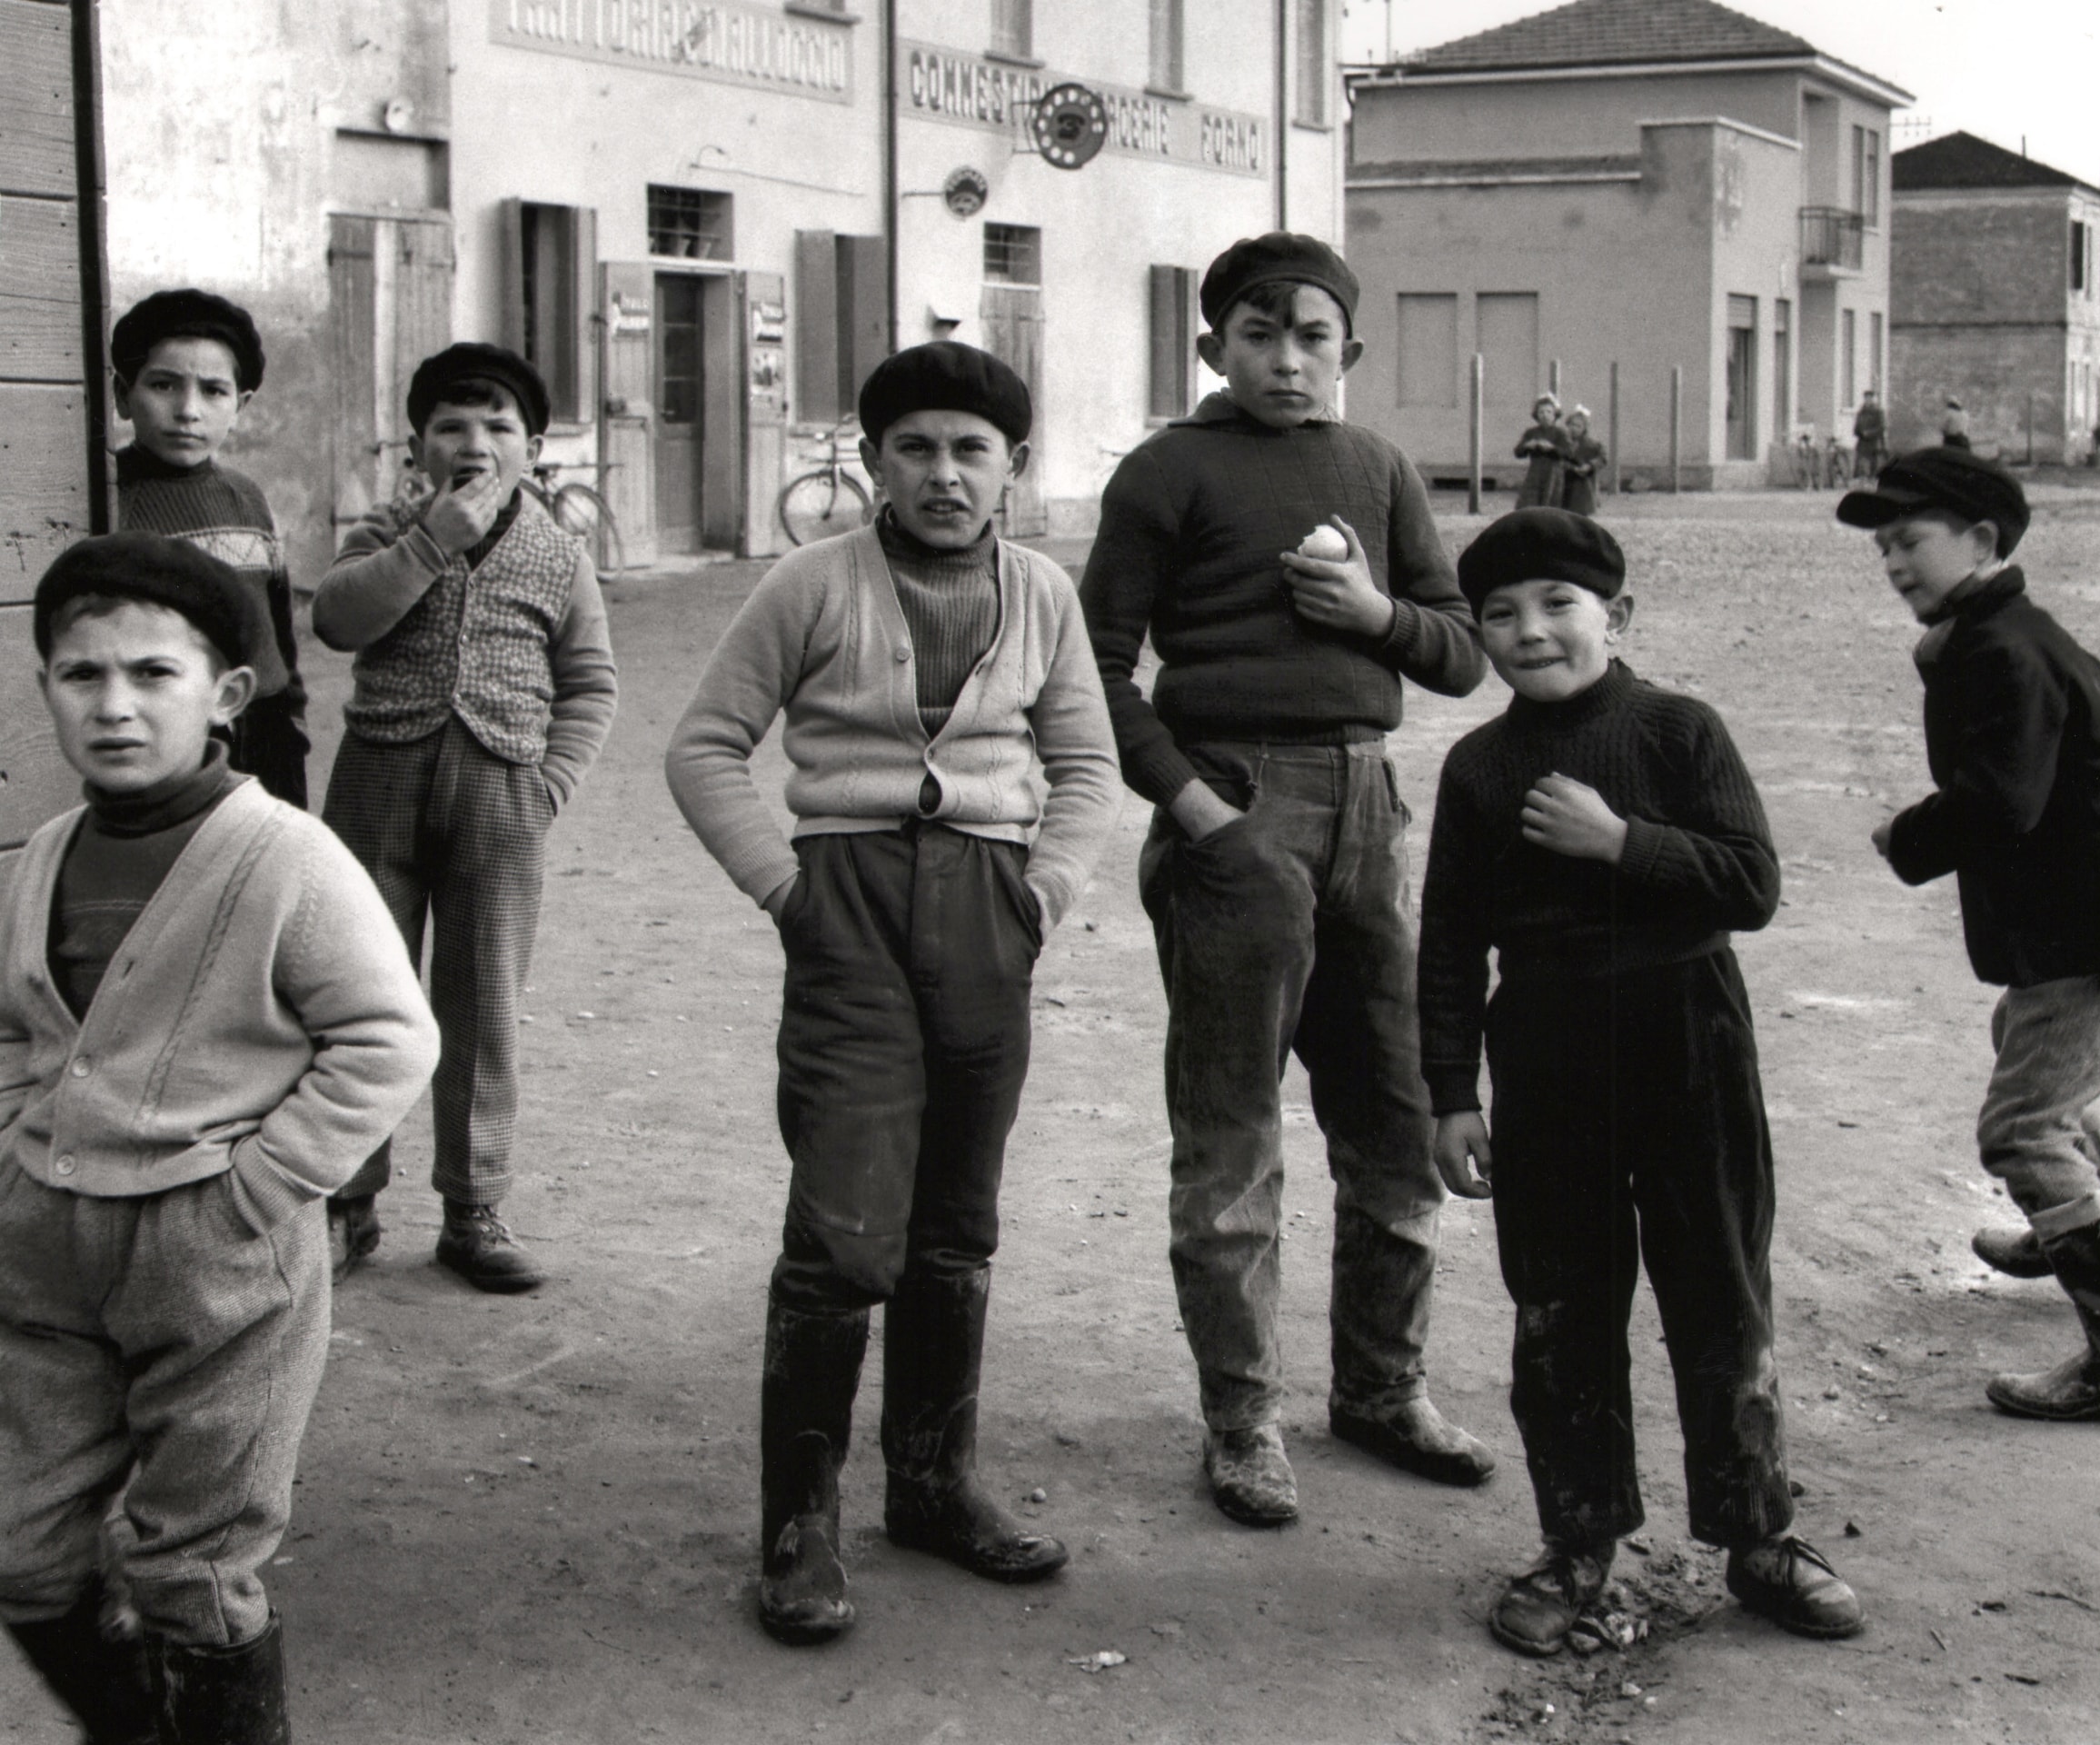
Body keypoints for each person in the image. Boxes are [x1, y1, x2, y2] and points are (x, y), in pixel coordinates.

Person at [667, 341, 1120, 1645]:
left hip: (986, 915)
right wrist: (787, 890)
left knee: (955, 1221)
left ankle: (930, 1486)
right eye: (913, 448)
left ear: (1012, 467)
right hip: (847, 912)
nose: (942, 474)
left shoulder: (1042, 592)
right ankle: (799, 1528)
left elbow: (1086, 764)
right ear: (872, 461)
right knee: (844, 1226)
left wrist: (1041, 895)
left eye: (970, 450)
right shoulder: (811, 583)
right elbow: (703, 747)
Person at [1080, 232, 1494, 1530]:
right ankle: (1243, 1418)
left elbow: (1460, 654)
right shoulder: (1165, 472)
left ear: (1347, 350)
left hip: (1369, 808)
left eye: (1312, 336)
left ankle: (1380, 1389)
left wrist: (1374, 615)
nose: (1286, 360)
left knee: (1393, 1117)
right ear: (1213, 348)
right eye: (1258, 336)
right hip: (1233, 814)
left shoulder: (1377, 468)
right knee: (1233, 1135)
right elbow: (1091, 672)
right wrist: (1200, 810)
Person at [0, 535, 435, 1743]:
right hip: (43, 1254)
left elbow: (388, 1037)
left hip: (219, 1266)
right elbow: (15, 1026)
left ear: (227, 694)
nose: (115, 706)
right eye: (82, 675)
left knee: (191, 1569)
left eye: (153, 674)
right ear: (46, 690)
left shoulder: (284, 857)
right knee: (23, 1550)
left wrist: (252, 1193)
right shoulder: (42, 859)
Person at [1417, 508, 1865, 1656]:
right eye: (1500, 614)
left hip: (1687, 1037)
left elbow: (1751, 885)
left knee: (1719, 1290)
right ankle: (1576, 1540)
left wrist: (1622, 842)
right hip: (1546, 1050)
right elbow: (1450, 939)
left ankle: (1757, 1535)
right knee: (1559, 1307)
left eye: (1557, 605)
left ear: (1615, 616)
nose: (1530, 631)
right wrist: (1450, 1091)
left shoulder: (1677, 730)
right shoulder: (1478, 767)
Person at [1837, 449, 2100, 1422]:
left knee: (2021, 1126)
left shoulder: (2003, 649)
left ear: (1980, 540)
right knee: (2039, 1059)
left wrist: (1906, 836)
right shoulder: (1997, 631)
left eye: (1908, 541)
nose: (1892, 564)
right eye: (1881, 550)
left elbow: (1999, 803)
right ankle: (2065, 1224)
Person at [311, 344, 616, 1291]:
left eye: (498, 427)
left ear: (534, 449)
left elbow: (590, 685)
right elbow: (336, 620)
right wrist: (429, 542)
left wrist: (547, 785)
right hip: (376, 788)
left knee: (482, 1005)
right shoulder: (383, 533)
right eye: (450, 426)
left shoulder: (561, 556)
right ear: (417, 448)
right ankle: (346, 1201)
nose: (474, 444)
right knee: (358, 995)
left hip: (500, 796)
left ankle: (473, 1207)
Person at [110, 289, 312, 808]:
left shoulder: (247, 498)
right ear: (122, 395)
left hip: (265, 732)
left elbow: (278, 629)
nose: (188, 411)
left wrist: (292, 724)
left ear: (240, 406)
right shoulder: (109, 501)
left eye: (214, 391)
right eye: (163, 385)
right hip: (168, 736)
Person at [1513, 395, 1568, 510]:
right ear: (1536, 415)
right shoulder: (1531, 432)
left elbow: (1568, 453)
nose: (1545, 415)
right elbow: (1518, 452)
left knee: (1550, 503)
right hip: (1535, 472)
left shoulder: (1560, 433)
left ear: (1555, 414)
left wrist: (1552, 448)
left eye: (1549, 412)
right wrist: (1527, 446)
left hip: (1553, 473)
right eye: (1541, 412)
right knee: (1529, 502)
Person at [1852, 389, 1888, 482]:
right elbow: (1857, 426)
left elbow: (1882, 427)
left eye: (1870, 398)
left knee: (1873, 463)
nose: (1867, 400)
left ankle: (1873, 479)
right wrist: (1857, 432)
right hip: (1862, 441)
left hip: (1874, 442)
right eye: (1866, 398)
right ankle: (1862, 480)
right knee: (1861, 462)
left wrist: (1869, 433)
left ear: (1872, 399)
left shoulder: (1878, 411)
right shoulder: (1861, 412)